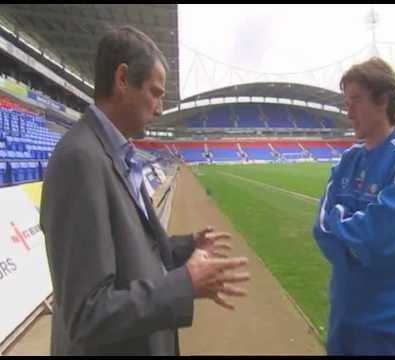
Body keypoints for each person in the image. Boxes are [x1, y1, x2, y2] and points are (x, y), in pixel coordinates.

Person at [40, 26, 250, 356]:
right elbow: (87, 315)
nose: (160, 108)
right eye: (155, 92)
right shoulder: (79, 161)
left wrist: (186, 246)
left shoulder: (112, 153)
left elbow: (130, 248)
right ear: (122, 79)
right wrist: (185, 284)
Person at [312, 57, 395, 355]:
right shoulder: (348, 160)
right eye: (346, 102)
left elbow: (377, 236)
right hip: (342, 316)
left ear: (383, 99)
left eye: (355, 101)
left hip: (385, 327)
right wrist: (356, 238)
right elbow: (321, 228)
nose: (348, 112)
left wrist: (347, 231)